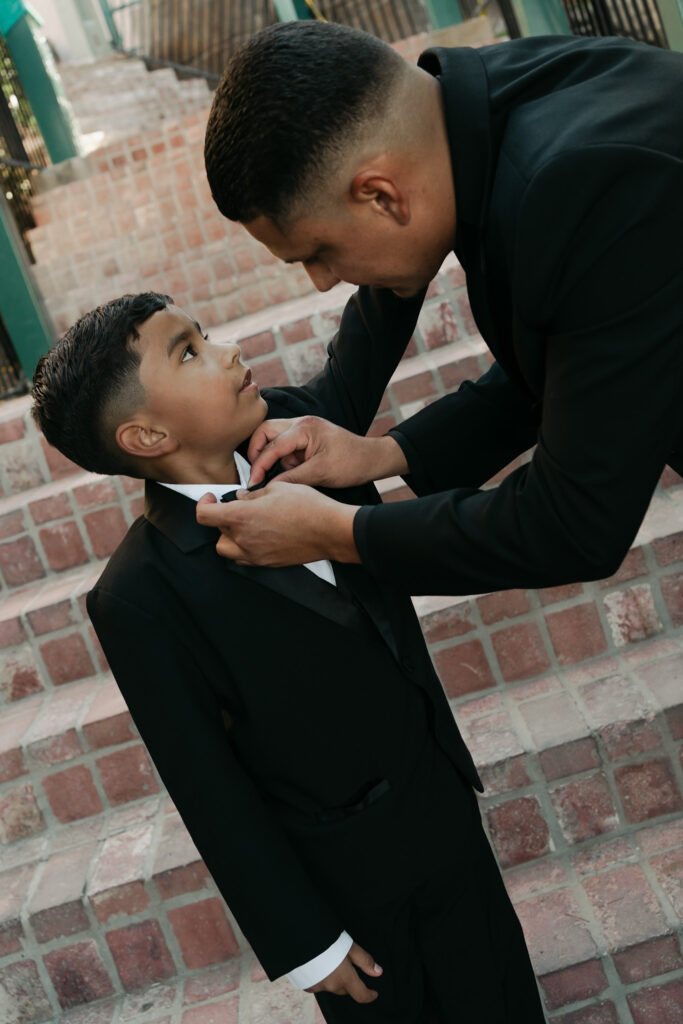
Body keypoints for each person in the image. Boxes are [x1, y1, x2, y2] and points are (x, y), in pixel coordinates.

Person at [31, 292, 546, 1023]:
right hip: (353, 889)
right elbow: (205, 783)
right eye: (189, 352)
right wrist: (308, 942)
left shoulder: (297, 429)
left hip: (443, 809)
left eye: (205, 334)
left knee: (503, 996)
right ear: (145, 435)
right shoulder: (139, 595)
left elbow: (372, 327)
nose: (228, 350)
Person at [200, 21, 683, 596]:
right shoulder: (487, 105)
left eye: (319, 253)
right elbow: (589, 357)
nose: (324, 282)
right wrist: (383, 453)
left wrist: (337, 533)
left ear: (381, 195)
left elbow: (572, 524)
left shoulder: (583, 186)